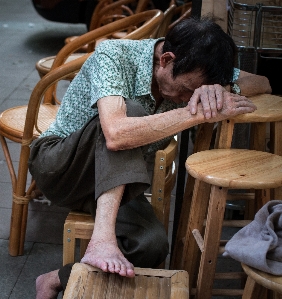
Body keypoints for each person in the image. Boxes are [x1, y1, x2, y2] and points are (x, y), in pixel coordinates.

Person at [29, 17, 272, 299]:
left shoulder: (198, 68)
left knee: (152, 245)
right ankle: (102, 240)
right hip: (59, 166)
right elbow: (117, 135)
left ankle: (53, 280)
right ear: (166, 60)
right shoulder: (115, 54)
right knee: (128, 114)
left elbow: (263, 82)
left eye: (194, 93)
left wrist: (220, 91)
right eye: (185, 89)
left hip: (111, 182)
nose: (185, 98)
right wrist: (197, 112)